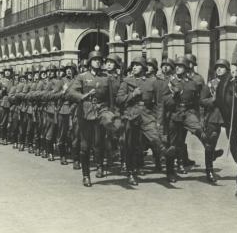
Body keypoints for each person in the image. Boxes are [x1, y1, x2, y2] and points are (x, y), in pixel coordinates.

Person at [117, 55, 173, 186]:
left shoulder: (153, 82)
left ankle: (163, 151)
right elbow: (119, 100)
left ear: (143, 67)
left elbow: (159, 104)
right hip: (130, 114)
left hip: (146, 114)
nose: (135, 67)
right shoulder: (126, 81)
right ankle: (131, 173)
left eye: (137, 65)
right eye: (133, 65)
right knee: (131, 146)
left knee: (154, 135)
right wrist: (132, 95)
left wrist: (159, 120)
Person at [165, 56, 210, 185]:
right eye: (176, 66)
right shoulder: (169, 81)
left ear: (185, 68)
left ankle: (209, 147)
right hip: (174, 113)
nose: (178, 68)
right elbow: (164, 101)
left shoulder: (192, 83)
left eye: (180, 66)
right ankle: (170, 172)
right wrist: (173, 95)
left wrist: (200, 118)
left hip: (188, 113)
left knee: (199, 130)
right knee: (172, 145)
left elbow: (197, 102)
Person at [67, 50, 108, 187]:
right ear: (90, 62)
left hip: (100, 113)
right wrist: (83, 97)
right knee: (85, 146)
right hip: (85, 114)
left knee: (99, 143)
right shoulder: (82, 77)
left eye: (99, 59)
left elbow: (110, 97)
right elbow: (71, 92)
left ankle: (100, 165)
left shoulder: (105, 77)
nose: (97, 61)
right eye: (95, 59)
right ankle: (86, 175)